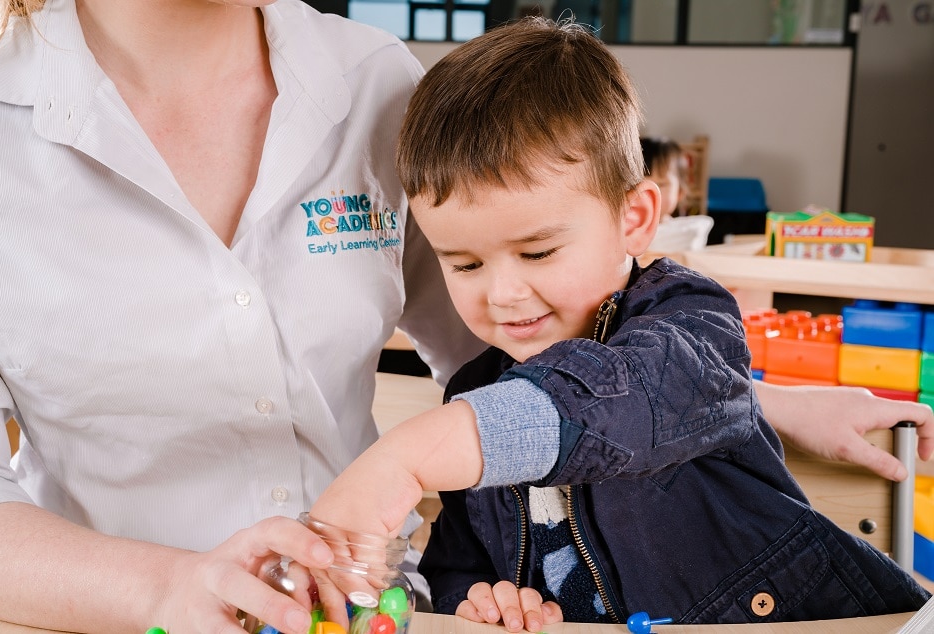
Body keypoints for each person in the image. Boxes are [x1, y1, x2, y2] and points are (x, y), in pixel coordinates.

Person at [0, 2, 930, 633]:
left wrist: (735, 400)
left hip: (368, 606)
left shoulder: (369, 78)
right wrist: (167, 587)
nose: (497, 281)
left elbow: (549, 371)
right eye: (469, 261)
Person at [310, 16, 932, 632]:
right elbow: (457, 564)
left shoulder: (691, 319)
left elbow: (614, 398)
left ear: (634, 218)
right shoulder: (476, 391)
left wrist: (405, 457)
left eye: (538, 252)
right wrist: (481, 598)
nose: (502, 293)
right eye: (465, 263)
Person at [641, 135, 715, 253]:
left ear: (680, 192)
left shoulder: (684, 234)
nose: (649, 192)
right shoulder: (620, 231)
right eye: (639, 184)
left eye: (660, 184)